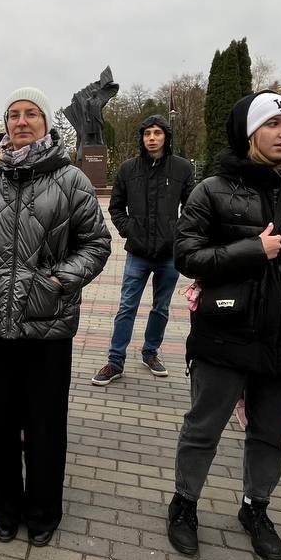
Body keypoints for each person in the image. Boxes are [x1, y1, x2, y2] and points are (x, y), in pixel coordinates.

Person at [168, 91, 281, 560]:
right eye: (273, 124)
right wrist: (252, 251)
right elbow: (186, 256)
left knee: (271, 434)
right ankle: (184, 503)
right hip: (226, 330)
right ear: (248, 133)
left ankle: (255, 507)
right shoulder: (211, 190)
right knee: (204, 427)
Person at [0, 88, 110, 545]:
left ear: (46, 122)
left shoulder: (71, 178)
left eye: (31, 114)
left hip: (47, 321)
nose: (21, 122)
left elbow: (96, 244)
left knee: (45, 423)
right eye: (13, 115)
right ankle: (3, 507)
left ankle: (42, 511)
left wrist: (57, 281)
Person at [92, 114, 194, 385]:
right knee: (127, 306)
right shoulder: (128, 169)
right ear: (142, 138)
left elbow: (192, 208)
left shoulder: (182, 168)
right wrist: (129, 229)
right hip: (137, 252)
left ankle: (150, 352)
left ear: (166, 137)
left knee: (161, 308)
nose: (152, 138)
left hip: (169, 254)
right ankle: (115, 361)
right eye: (147, 133)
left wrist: (177, 232)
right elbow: (116, 206)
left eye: (157, 133)